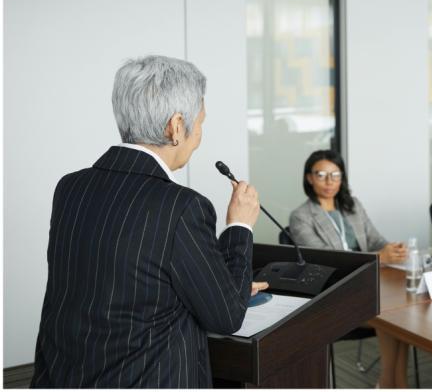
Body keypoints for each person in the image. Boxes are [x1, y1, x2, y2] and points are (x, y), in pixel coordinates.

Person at [32, 55, 266, 388]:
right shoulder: (182, 206)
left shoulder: (71, 188)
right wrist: (240, 227)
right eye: (200, 122)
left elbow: (123, 281)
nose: (199, 134)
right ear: (176, 126)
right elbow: (226, 317)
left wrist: (224, 281)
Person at [289, 150, 408, 388]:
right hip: (333, 293)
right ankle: (390, 383)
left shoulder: (352, 206)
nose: (329, 181)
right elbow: (328, 262)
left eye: (335, 175)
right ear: (309, 178)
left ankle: (394, 384)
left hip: (369, 285)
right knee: (390, 313)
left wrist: (392, 249)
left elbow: (375, 240)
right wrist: (379, 256)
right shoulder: (301, 216)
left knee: (400, 311)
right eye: (321, 175)